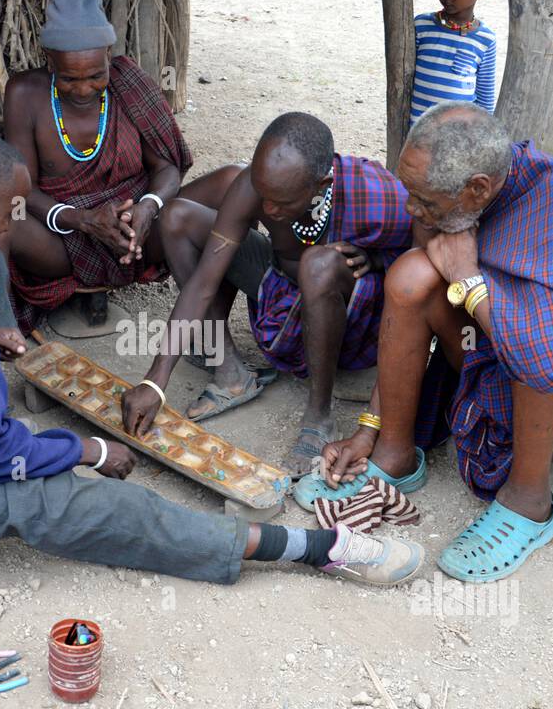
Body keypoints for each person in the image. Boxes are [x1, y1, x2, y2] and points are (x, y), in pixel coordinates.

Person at [0, 130, 423, 589]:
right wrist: (89, 451)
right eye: (11, 211)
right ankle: (311, 547)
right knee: (95, 507)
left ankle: (3, 335)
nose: (16, 224)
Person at [300, 103, 553, 583]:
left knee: (536, 342)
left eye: (426, 203)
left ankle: (529, 501)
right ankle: (395, 454)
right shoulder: (456, 197)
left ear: (478, 187)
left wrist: (468, 279)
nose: (414, 211)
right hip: (493, 341)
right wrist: (371, 427)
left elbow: (544, 357)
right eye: (410, 195)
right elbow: (422, 283)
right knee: (412, 274)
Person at [119, 113, 413, 474]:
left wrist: (380, 260)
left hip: (353, 320)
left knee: (317, 265)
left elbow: (423, 263)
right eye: (263, 194)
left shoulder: (377, 193)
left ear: (320, 185)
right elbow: (204, 281)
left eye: (281, 203)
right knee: (177, 217)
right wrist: (155, 381)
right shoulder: (255, 187)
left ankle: (319, 416)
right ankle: (230, 373)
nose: (268, 209)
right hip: (281, 292)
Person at [2, 0, 241, 334]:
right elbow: (21, 191)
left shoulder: (130, 83)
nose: (84, 89)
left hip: (141, 232)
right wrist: (83, 220)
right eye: (69, 79)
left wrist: (148, 207)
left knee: (235, 180)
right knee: (4, 221)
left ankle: (211, 318)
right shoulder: (24, 93)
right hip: (64, 240)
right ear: (49, 61)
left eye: (97, 75)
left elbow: (167, 169)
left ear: (109, 56)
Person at [411, 0, 499, 125]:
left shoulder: (485, 41)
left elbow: (485, 103)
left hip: (456, 143)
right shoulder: (421, 26)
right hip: (416, 140)